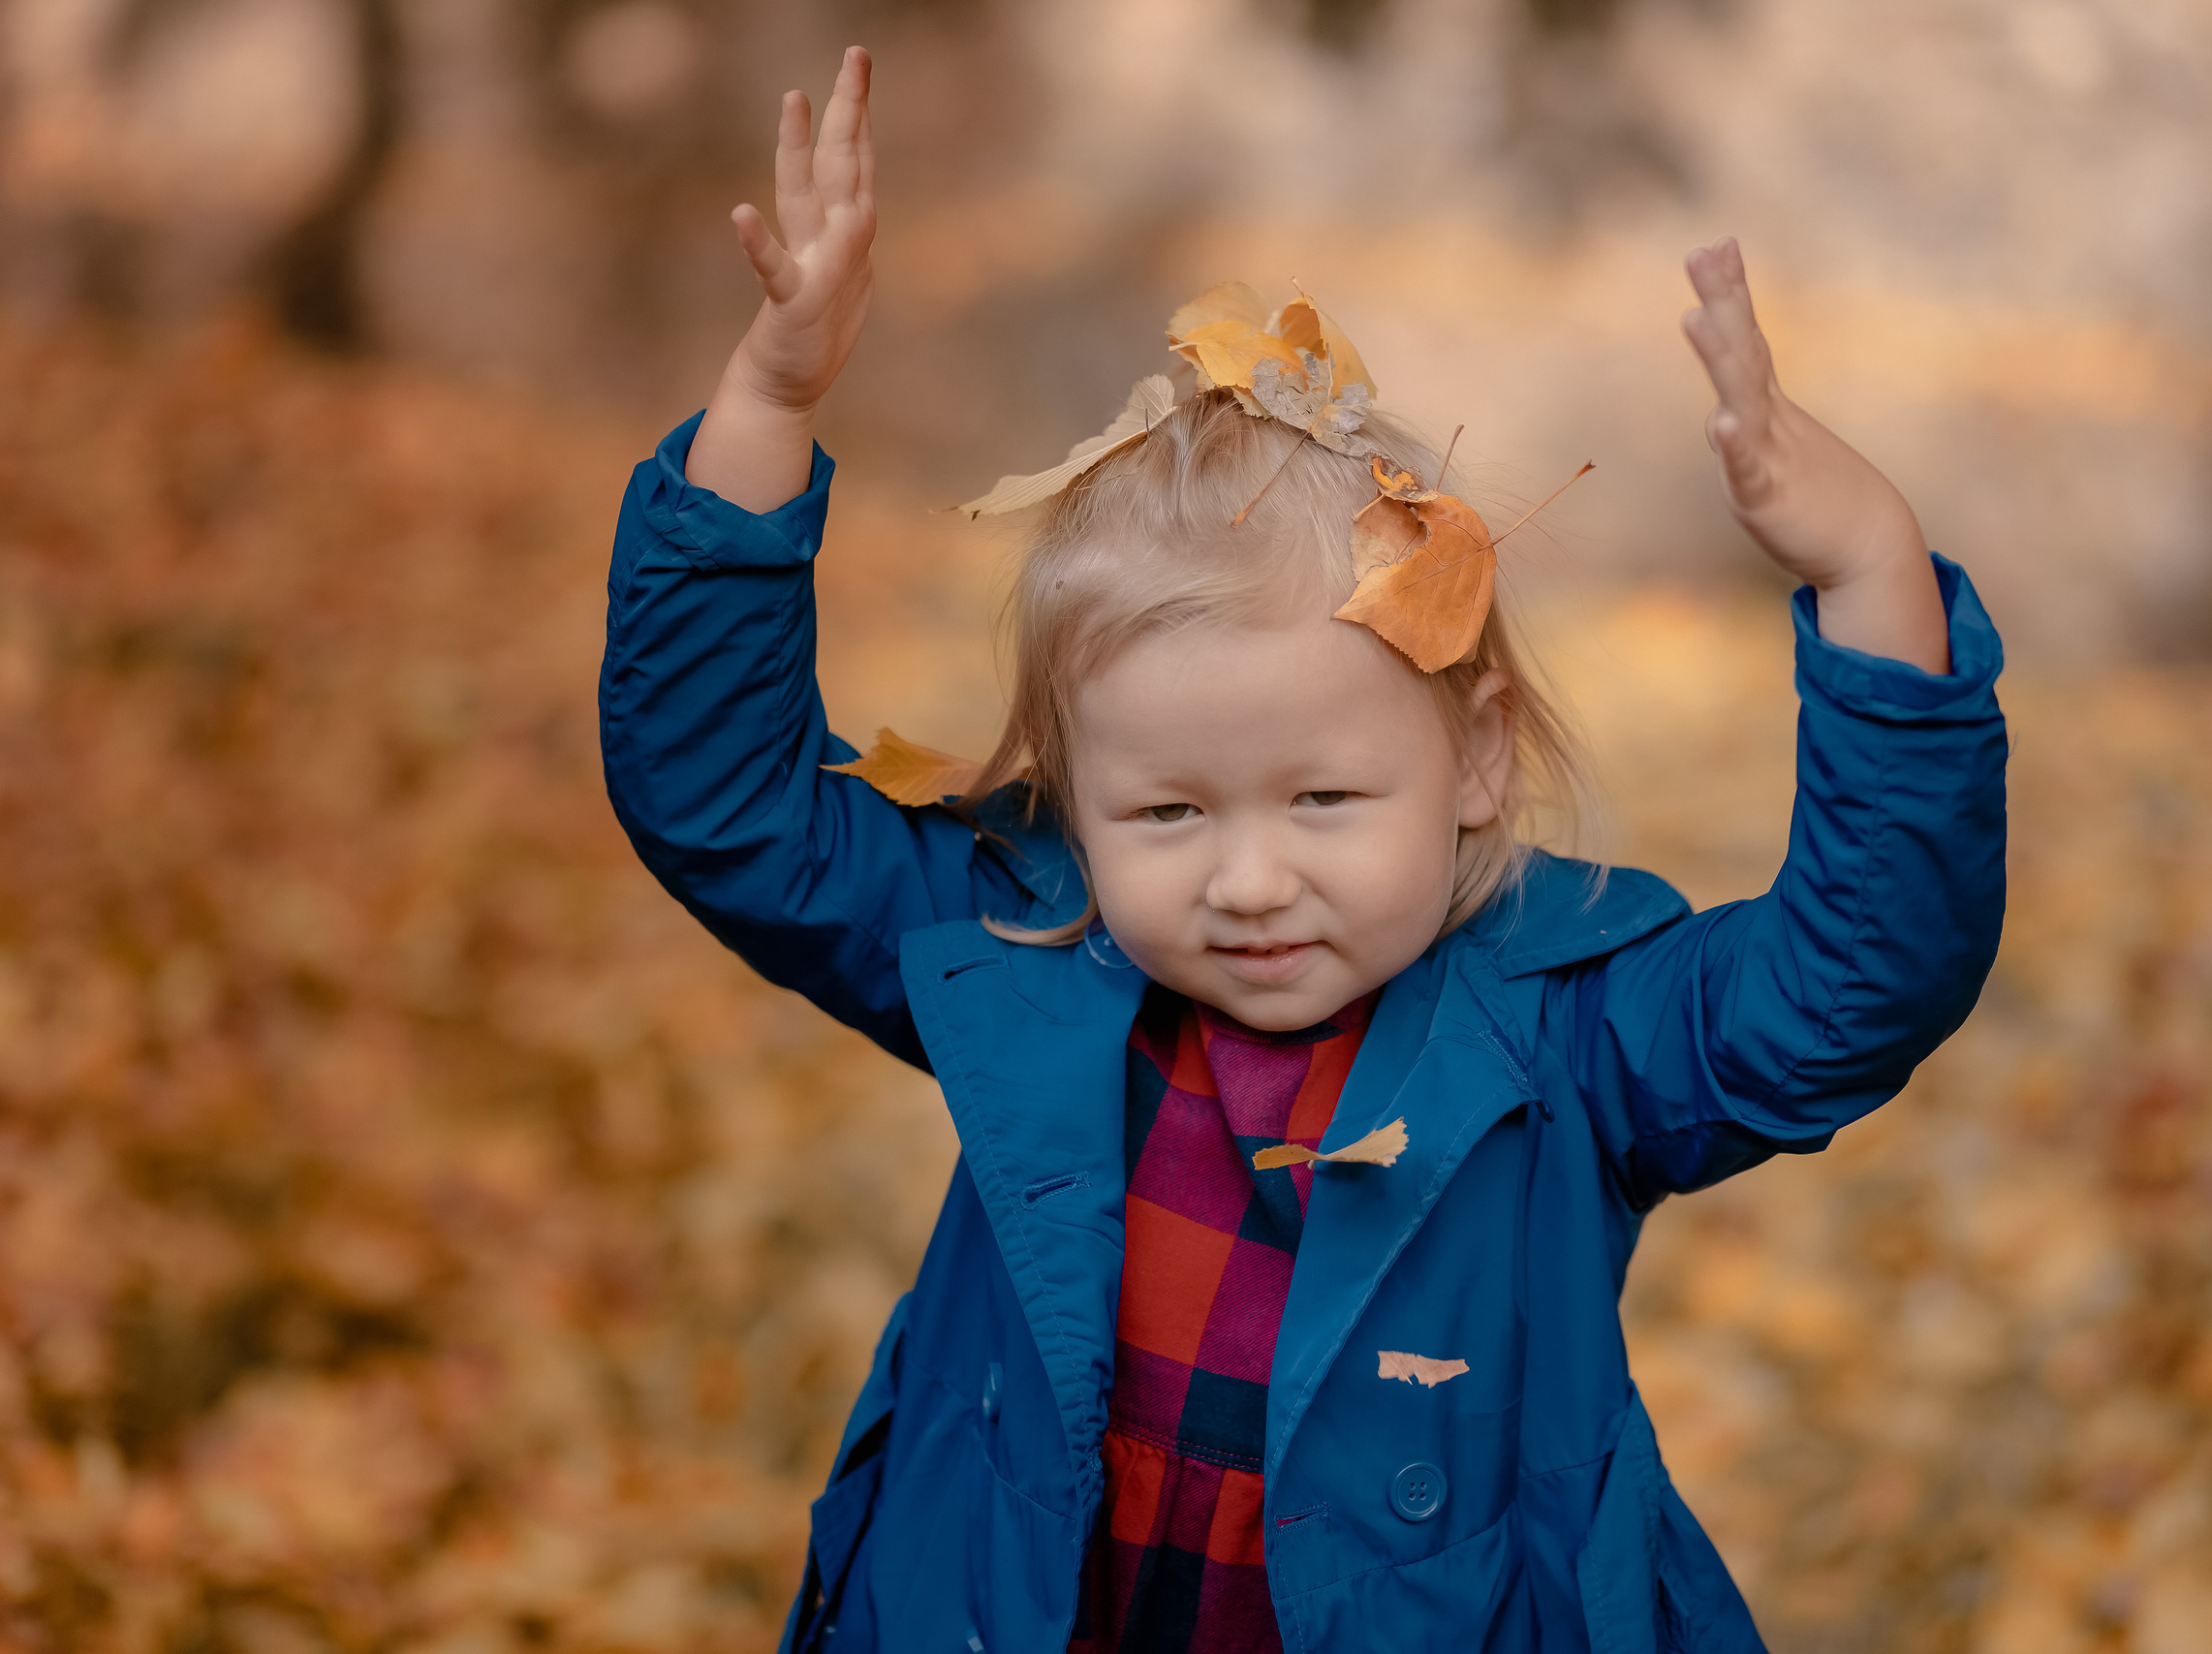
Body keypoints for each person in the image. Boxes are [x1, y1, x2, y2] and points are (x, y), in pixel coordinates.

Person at [599, 47, 2006, 1654]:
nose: (1249, 880)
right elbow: (727, 804)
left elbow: (1858, 982)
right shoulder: (1037, 959)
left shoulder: (1567, 1037)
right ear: (1075, 789)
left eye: (1325, 802)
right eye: (1168, 812)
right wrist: (769, 404)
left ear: (1474, 756)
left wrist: (1877, 578)